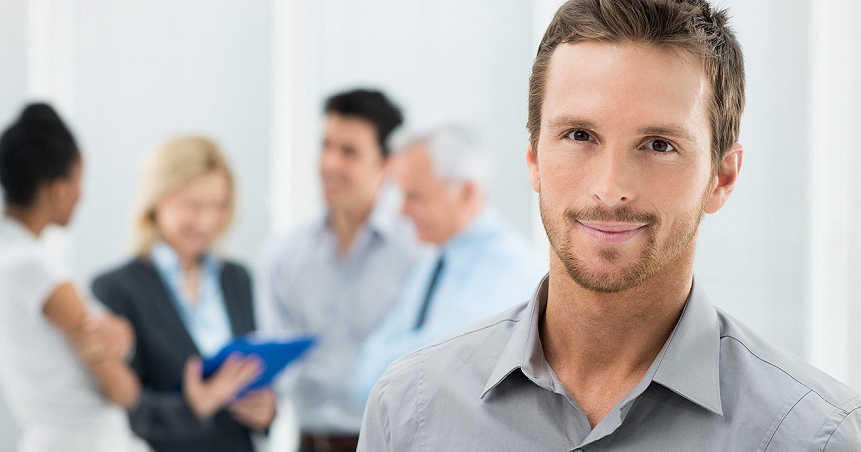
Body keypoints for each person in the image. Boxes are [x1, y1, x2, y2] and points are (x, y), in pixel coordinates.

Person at [358, 0, 861, 450]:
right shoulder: (409, 414)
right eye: (579, 135)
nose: (610, 187)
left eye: (659, 144)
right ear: (534, 158)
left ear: (722, 176)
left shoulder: (812, 436)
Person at [0, 103, 148, 452]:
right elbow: (123, 389)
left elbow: (108, 336)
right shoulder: (37, 270)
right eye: (80, 181)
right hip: (90, 441)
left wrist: (118, 336)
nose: (83, 194)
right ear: (60, 190)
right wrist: (119, 341)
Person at [257, 88, 418, 451]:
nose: (329, 163)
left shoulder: (418, 251)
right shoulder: (285, 254)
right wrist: (261, 401)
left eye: (349, 152)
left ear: (388, 164)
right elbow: (277, 364)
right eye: (326, 145)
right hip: (310, 442)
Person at [91, 136, 275, 452]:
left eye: (218, 206)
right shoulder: (117, 289)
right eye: (194, 205)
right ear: (156, 199)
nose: (207, 221)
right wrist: (193, 409)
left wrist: (266, 411)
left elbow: (251, 375)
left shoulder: (236, 278)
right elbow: (126, 408)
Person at [352, 125, 544, 404]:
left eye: (414, 196)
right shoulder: (432, 262)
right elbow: (364, 375)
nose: (401, 211)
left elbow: (440, 377)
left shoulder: (508, 270)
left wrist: (387, 371)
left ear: (466, 193)